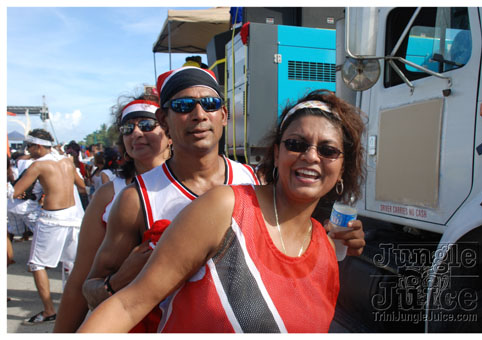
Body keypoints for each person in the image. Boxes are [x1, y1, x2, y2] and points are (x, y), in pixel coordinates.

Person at [78, 89, 365, 333]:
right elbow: (128, 306)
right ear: (276, 153)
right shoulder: (225, 208)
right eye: (296, 144)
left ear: (342, 168)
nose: (311, 156)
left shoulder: (327, 252)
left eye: (328, 151)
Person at [81, 66, 264, 332]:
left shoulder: (253, 181)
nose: (199, 115)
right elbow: (91, 288)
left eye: (210, 104)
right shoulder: (136, 199)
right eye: (183, 106)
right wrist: (121, 278)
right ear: (164, 120)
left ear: (223, 115)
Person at [53, 96, 172, 333]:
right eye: (128, 128)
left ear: (170, 133)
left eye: (147, 125)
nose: (136, 133)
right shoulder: (110, 194)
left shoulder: (199, 185)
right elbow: (80, 278)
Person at [8, 129, 86, 325]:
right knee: (71, 263)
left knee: (36, 264)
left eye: (30, 147)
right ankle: (74, 309)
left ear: (39, 146)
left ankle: (49, 310)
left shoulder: (38, 165)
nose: (28, 151)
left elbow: (16, 192)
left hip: (52, 218)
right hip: (73, 217)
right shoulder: (68, 161)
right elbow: (82, 185)